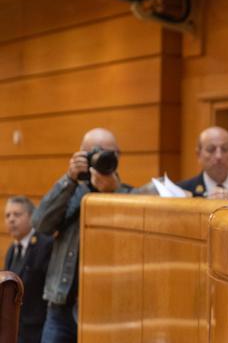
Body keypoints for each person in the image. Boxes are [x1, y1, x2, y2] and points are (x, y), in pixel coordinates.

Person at [32, 128, 134, 343]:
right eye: (94, 153)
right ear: (81, 155)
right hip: (61, 307)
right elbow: (40, 224)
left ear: (119, 156)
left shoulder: (131, 197)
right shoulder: (71, 192)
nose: (102, 158)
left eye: (109, 153)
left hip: (107, 312)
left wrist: (113, 193)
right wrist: (69, 179)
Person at [4, 196, 52, 343]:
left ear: (32, 217)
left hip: (39, 329)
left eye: (17, 214)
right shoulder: (12, 250)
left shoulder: (45, 244)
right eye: (7, 215)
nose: (11, 219)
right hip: (17, 328)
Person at [178, 127, 228, 199]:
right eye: (211, 149)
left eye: (225, 149)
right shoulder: (181, 191)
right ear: (198, 154)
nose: (218, 156)